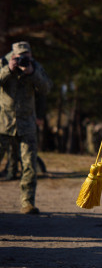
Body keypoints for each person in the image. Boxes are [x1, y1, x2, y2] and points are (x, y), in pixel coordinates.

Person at [0, 41, 53, 214]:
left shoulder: (35, 67)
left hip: (27, 124)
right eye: (19, 56)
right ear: (12, 55)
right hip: (3, 123)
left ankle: (27, 203)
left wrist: (32, 73)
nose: (22, 59)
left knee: (29, 165)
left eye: (26, 56)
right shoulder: (2, 64)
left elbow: (46, 88)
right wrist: (9, 69)